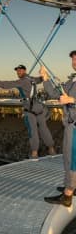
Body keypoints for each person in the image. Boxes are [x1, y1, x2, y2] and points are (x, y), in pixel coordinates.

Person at [0, 64, 56, 160]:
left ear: (25, 70)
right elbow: (41, 79)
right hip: (39, 108)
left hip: (30, 110)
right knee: (44, 129)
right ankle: (51, 149)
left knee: (32, 131)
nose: (18, 72)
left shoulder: (22, 81)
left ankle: (34, 153)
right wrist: (47, 75)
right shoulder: (32, 79)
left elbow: (8, 84)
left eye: (20, 70)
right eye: (17, 71)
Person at [40, 51, 76, 207]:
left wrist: (72, 99)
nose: (74, 62)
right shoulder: (72, 80)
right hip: (70, 124)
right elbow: (55, 93)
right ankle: (72, 186)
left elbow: (69, 99)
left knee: (71, 160)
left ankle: (68, 194)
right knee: (70, 158)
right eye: (73, 59)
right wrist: (45, 78)